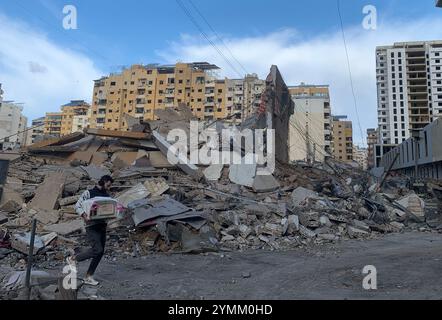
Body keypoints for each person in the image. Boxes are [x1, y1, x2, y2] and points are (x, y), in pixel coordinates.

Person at [66, 175, 114, 286]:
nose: (109, 187)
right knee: (97, 249)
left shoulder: (107, 195)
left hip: (102, 225)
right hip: (91, 226)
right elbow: (77, 206)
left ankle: (88, 276)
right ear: (104, 182)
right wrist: (84, 215)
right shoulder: (88, 193)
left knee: (100, 252)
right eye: (108, 185)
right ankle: (73, 258)